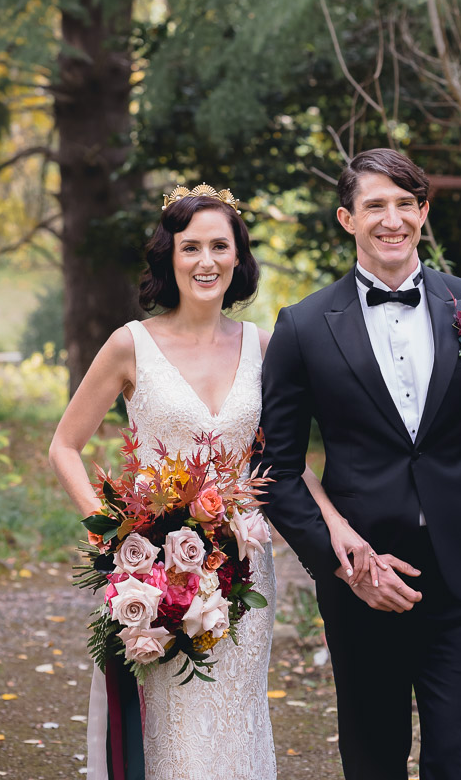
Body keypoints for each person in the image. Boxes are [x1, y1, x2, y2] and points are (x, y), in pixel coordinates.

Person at [49, 184, 368, 780]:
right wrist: (113, 537)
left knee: (235, 723)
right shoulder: (131, 344)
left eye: (220, 246)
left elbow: (286, 461)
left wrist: (336, 521)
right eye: (190, 246)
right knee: (171, 730)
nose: (206, 260)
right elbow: (64, 446)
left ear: (238, 258)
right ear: (169, 257)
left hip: (246, 573)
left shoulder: (265, 348)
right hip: (157, 575)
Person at [260, 149, 461, 780]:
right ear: (347, 219)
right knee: (373, 762)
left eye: (403, 204)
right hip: (363, 583)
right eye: (373, 206)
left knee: (458, 761)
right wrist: (342, 566)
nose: (390, 220)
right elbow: (275, 469)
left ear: (422, 212)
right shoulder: (304, 326)